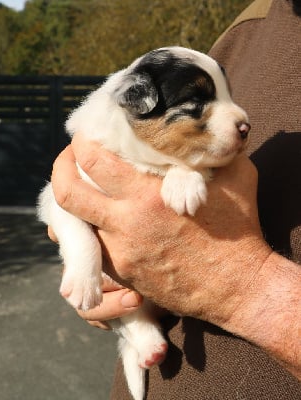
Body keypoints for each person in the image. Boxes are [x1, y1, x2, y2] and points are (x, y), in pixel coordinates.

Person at [49, 0, 301, 398]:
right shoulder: (248, 26)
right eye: (200, 102)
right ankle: (136, 329)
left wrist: (247, 286)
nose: (241, 117)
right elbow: (61, 202)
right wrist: (93, 264)